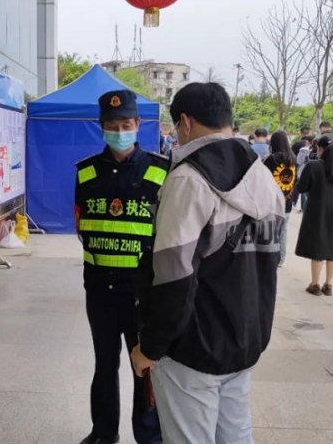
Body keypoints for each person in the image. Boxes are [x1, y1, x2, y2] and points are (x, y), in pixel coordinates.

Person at [130, 82, 284, 444]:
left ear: (185, 122)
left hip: (193, 347)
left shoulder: (188, 179)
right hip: (245, 338)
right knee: (236, 436)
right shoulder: (263, 177)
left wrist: (150, 347)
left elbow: (173, 278)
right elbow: (273, 259)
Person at [74, 89, 166, 444]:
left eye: (126, 124)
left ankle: (149, 436)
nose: (120, 131)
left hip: (143, 291)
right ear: (102, 126)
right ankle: (103, 432)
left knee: (144, 366)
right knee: (104, 363)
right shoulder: (85, 172)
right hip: (99, 287)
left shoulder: (161, 171)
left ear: (138, 124)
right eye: (112, 125)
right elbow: (82, 225)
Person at [294, 135, 333, 296]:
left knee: (317, 247)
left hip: (315, 211)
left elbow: (302, 188)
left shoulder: (312, 166)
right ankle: (329, 285)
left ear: (319, 148)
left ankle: (314, 284)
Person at [264, 131, 297, 266]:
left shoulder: (272, 159)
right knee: (283, 230)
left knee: (271, 231)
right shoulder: (293, 158)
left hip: (272, 202)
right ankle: (281, 258)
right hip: (287, 201)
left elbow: (264, 179)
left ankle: (270, 258)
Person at [293, 136, 315, 212]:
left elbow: (298, 162)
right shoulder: (316, 150)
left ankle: (303, 207)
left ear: (307, 142)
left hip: (303, 171)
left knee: (304, 190)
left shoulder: (303, 151)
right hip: (314, 172)